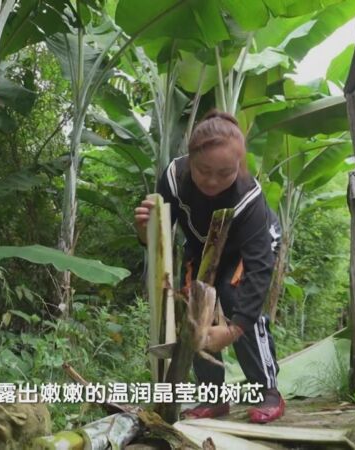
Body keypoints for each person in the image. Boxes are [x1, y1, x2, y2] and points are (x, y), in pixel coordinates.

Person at [134, 110, 285, 423]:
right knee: (193, 304)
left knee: (235, 298)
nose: (213, 181)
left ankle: (268, 391)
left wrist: (233, 330)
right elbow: (159, 237)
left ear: (239, 166)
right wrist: (145, 230)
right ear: (190, 160)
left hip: (247, 248)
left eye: (225, 173)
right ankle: (213, 396)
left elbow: (259, 269)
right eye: (203, 171)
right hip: (203, 244)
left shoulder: (249, 197)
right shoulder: (175, 177)